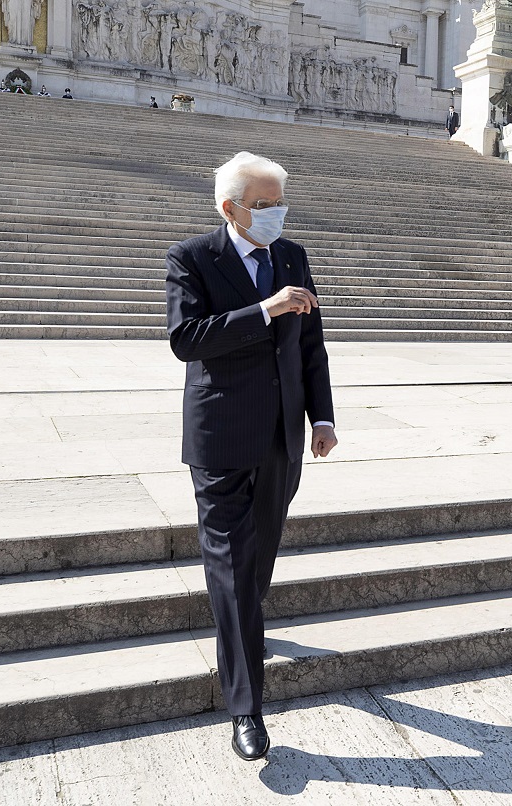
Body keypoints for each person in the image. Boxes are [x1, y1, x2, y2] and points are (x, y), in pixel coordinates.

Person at [165, 151, 338, 761]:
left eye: (279, 202)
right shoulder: (192, 258)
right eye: (263, 205)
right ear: (229, 207)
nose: (275, 214)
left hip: (283, 434)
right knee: (235, 565)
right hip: (222, 437)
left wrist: (322, 416)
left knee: (262, 547)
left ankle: (244, 625)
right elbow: (186, 340)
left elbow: (311, 343)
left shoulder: (291, 256)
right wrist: (265, 309)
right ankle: (246, 708)